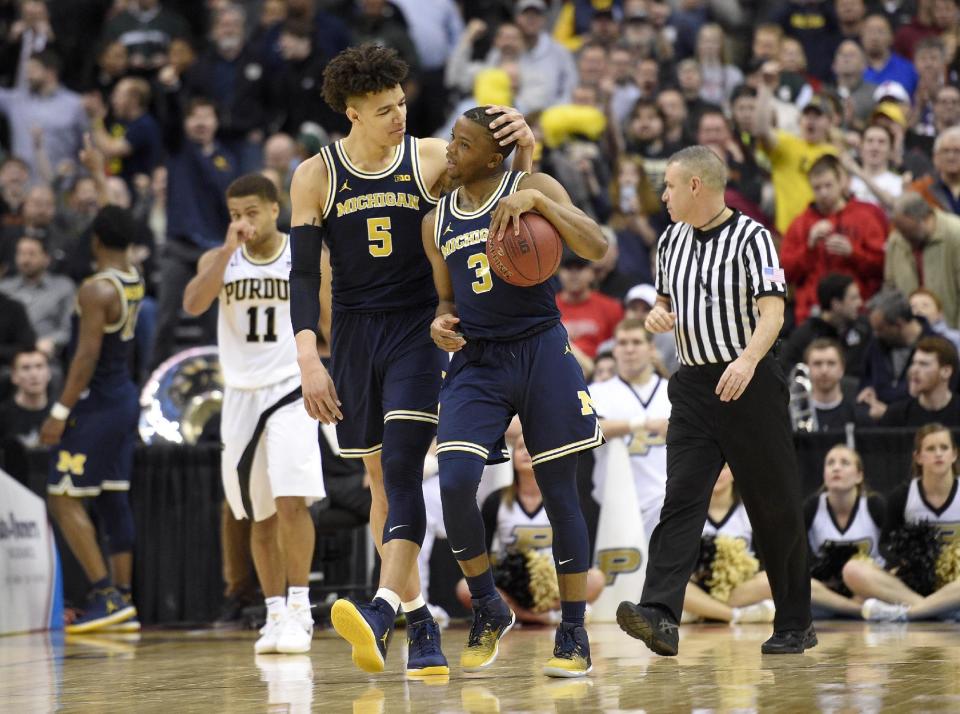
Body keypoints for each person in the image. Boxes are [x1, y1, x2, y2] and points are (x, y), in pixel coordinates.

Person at [287, 45, 532, 677]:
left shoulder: (428, 157)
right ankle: (419, 622)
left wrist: (523, 143)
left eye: (401, 105)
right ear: (351, 112)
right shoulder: (315, 175)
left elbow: (504, 189)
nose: (399, 117)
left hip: (420, 329)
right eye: (383, 110)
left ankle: (381, 607)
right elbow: (301, 275)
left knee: (399, 467)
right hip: (355, 337)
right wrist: (309, 358)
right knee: (380, 483)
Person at [423, 106, 607, 677]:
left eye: (463, 143)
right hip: (477, 358)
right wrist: (440, 322)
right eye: (452, 140)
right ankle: (486, 604)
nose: (450, 150)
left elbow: (597, 246)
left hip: (541, 347)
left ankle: (573, 632)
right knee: (453, 481)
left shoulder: (530, 183)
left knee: (560, 494)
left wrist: (544, 205)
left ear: (493, 155)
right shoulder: (435, 222)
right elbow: (446, 300)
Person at [616, 146, 814, 656]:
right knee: (681, 497)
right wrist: (659, 315)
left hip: (749, 381)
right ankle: (660, 614)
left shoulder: (753, 238)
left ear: (696, 187)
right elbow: (664, 304)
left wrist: (747, 361)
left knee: (774, 507)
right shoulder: (668, 242)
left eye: (670, 187)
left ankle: (795, 622)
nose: (663, 196)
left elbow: (772, 313)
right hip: (693, 386)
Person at [182, 173, 325, 654]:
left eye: (251, 212)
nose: (243, 222)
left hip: (289, 387)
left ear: (274, 207)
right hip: (240, 396)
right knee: (257, 513)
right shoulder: (218, 260)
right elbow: (192, 303)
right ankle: (274, 612)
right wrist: (225, 253)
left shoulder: (300, 256)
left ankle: (302, 609)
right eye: (234, 214)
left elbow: (330, 321)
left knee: (291, 499)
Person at [40, 206, 143, 633]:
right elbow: (115, 219)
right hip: (124, 399)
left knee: (62, 496)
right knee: (111, 496)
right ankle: (124, 599)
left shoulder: (96, 290)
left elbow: (85, 357)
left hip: (98, 403)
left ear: (96, 240)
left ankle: (104, 594)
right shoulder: (133, 277)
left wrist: (60, 411)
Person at [456, 432, 606, 625]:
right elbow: (481, 548)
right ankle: (535, 617)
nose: (526, 452)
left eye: (532, 448)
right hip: (510, 583)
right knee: (465, 587)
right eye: (520, 448)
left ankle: (527, 614)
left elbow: (575, 546)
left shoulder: (561, 500)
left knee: (596, 578)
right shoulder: (497, 500)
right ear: (513, 458)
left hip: (552, 585)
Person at [844, 424, 960, 622]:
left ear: (954, 454)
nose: (938, 454)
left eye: (944, 447)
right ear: (918, 457)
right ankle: (939, 610)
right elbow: (884, 544)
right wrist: (902, 561)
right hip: (915, 582)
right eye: (931, 449)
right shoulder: (903, 495)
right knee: (852, 570)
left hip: (956, 580)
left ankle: (908, 613)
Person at [590, 319, 670, 543]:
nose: (629, 349)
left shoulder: (672, 391)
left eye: (636, 342)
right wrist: (642, 423)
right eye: (623, 343)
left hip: (665, 503)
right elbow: (587, 431)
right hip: (614, 504)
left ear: (651, 348)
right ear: (614, 349)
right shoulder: (597, 392)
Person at [682, 464, 775, 625]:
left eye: (723, 468)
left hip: (739, 589)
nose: (717, 474)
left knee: (771, 580)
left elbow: (763, 561)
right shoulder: (688, 512)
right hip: (698, 585)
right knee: (675, 587)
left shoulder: (750, 510)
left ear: (734, 471)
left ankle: (701, 611)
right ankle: (735, 615)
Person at [804, 445, 885, 618]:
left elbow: (892, 552)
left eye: (845, 463)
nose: (836, 467)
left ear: (859, 476)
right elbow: (800, 554)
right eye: (830, 463)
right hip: (827, 590)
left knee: (856, 571)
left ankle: (845, 609)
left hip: (868, 587)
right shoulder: (812, 507)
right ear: (824, 475)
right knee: (800, 585)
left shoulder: (874, 505)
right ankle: (859, 610)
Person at [879, 336, 960, 427]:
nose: (914, 370)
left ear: (946, 371)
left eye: (924, 364)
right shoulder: (896, 415)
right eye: (913, 363)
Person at [0, 348, 50, 447]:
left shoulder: (60, 413)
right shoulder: (3, 415)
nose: (34, 374)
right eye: (26, 368)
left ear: (49, 373)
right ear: (14, 376)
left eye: (39, 366)